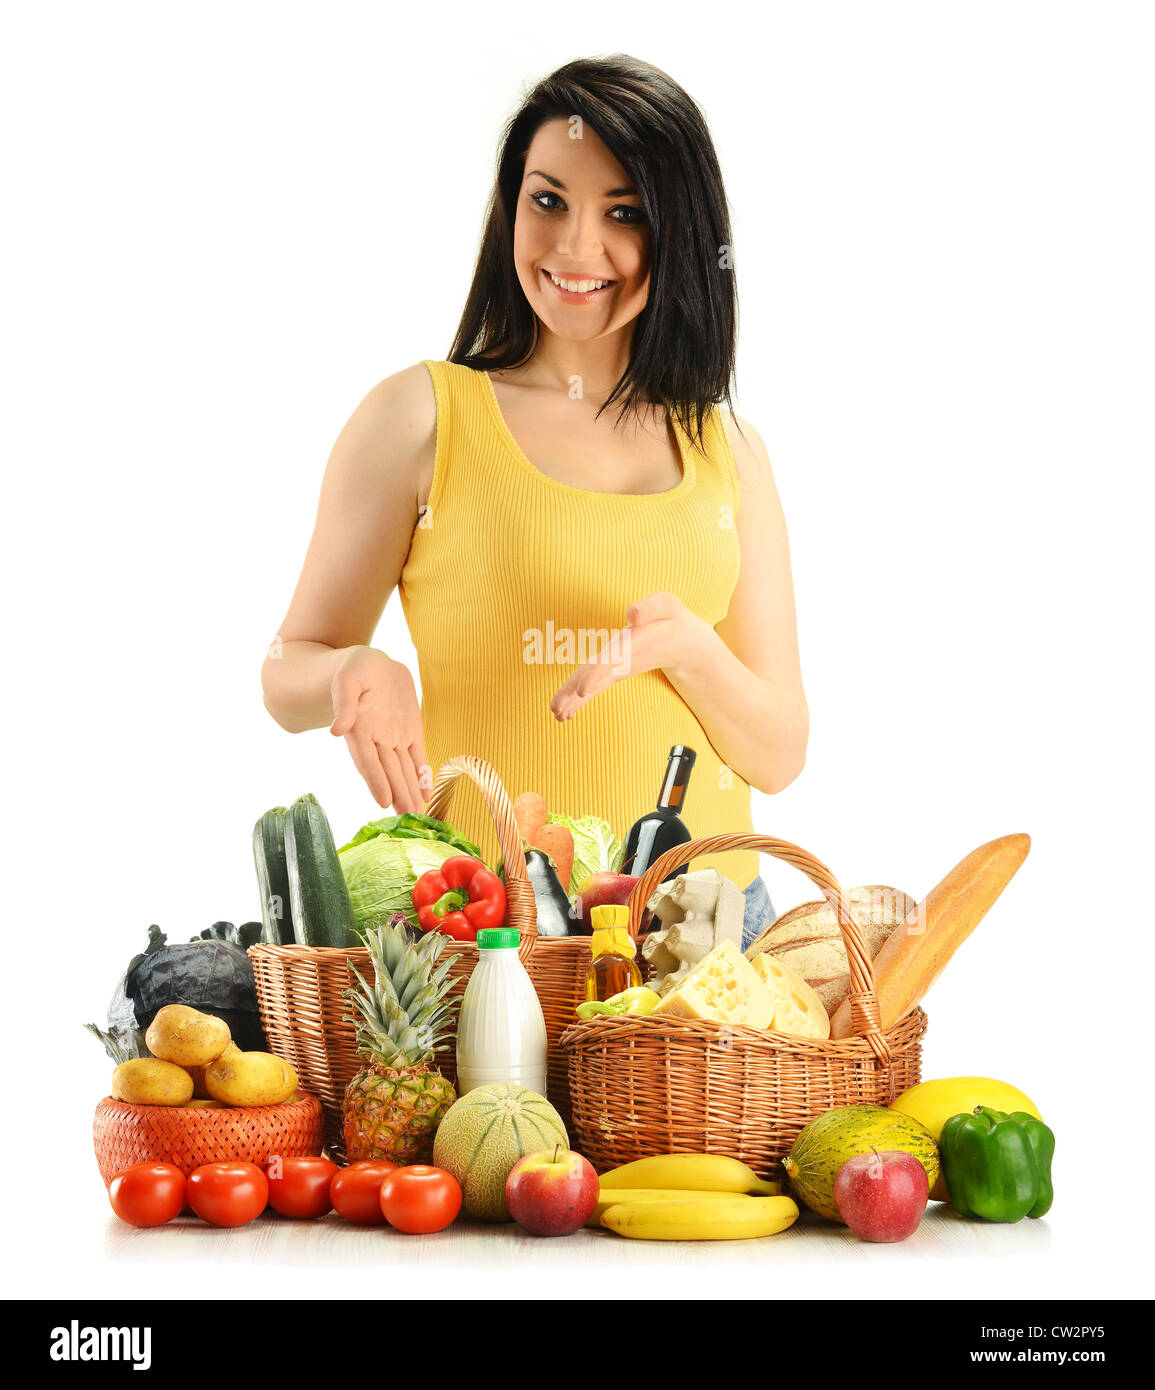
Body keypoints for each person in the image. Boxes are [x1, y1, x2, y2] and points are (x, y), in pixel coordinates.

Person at [260, 55, 808, 948]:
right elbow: (288, 670)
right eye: (546, 200)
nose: (573, 249)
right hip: (494, 928)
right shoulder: (423, 416)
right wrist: (351, 669)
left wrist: (691, 651)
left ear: (679, 233)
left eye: (622, 213)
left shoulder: (729, 451)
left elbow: (780, 753)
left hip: (707, 937)